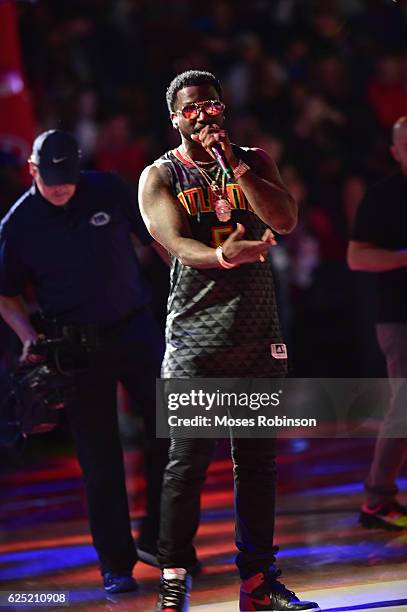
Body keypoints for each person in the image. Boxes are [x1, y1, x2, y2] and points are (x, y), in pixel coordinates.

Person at [139, 70, 320, 612]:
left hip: (257, 332)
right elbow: (174, 244)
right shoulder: (159, 175)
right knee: (187, 462)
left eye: (212, 104)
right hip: (197, 337)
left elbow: (285, 220)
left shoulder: (254, 160)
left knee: (258, 463)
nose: (205, 115)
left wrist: (235, 166)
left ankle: (258, 581)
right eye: (192, 108)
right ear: (176, 118)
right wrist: (222, 255)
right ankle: (173, 582)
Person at [0, 130, 169, 593]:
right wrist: (28, 335)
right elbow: (4, 293)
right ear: (32, 171)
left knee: (172, 436)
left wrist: (185, 280)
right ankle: (116, 565)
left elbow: (156, 238)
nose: (60, 187)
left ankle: (162, 540)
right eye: (50, 178)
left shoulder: (110, 189)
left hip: (135, 329)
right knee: (100, 461)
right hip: (76, 347)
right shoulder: (17, 225)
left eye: (67, 177)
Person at [348, 116, 407, 531]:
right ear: (395, 151)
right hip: (399, 316)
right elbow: (356, 257)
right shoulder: (383, 197)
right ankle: (376, 497)